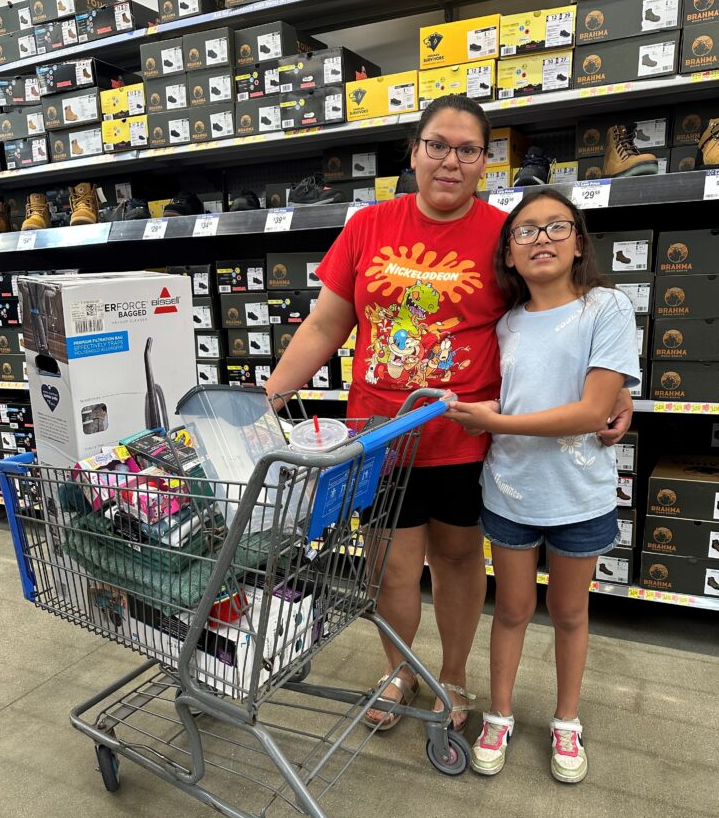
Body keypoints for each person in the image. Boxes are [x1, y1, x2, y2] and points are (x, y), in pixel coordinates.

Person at [265, 97, 632, 733]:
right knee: (391, 565)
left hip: (468, 436)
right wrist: (268, 394)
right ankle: (398, 669)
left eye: (467, 150)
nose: (451, 161)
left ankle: (453, 676)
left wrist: (614, 390)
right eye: (438, 145)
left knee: (459, 560)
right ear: (413, 152)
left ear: (484, 162)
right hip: (380, 434)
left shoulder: (503, 235)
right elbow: (326, 322)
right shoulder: (368, 226)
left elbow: (554, 316)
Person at [445, 188, 640, 783]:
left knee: (570, 612)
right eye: (525, 232)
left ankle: (566, 720)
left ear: (579, 241)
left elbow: (590, 411)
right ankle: (500, 713)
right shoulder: (503, 325)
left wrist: (495, 421)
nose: (542, 239)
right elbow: (533, 393)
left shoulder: (606, 307)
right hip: (510, 489)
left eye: (557, 226)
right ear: (508, 255)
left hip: (579, 495)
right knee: (510, 608)